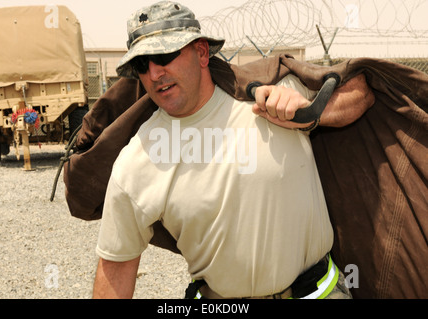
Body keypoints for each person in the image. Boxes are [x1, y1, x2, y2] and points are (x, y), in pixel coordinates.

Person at [92, 1, 374, 299]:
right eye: (141, 64)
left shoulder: (273, 93)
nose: (154, 73)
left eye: (164, 55)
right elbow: (116, 268)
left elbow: (363, 92)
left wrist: (309, 114)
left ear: (201, 52)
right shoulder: (137, 162)